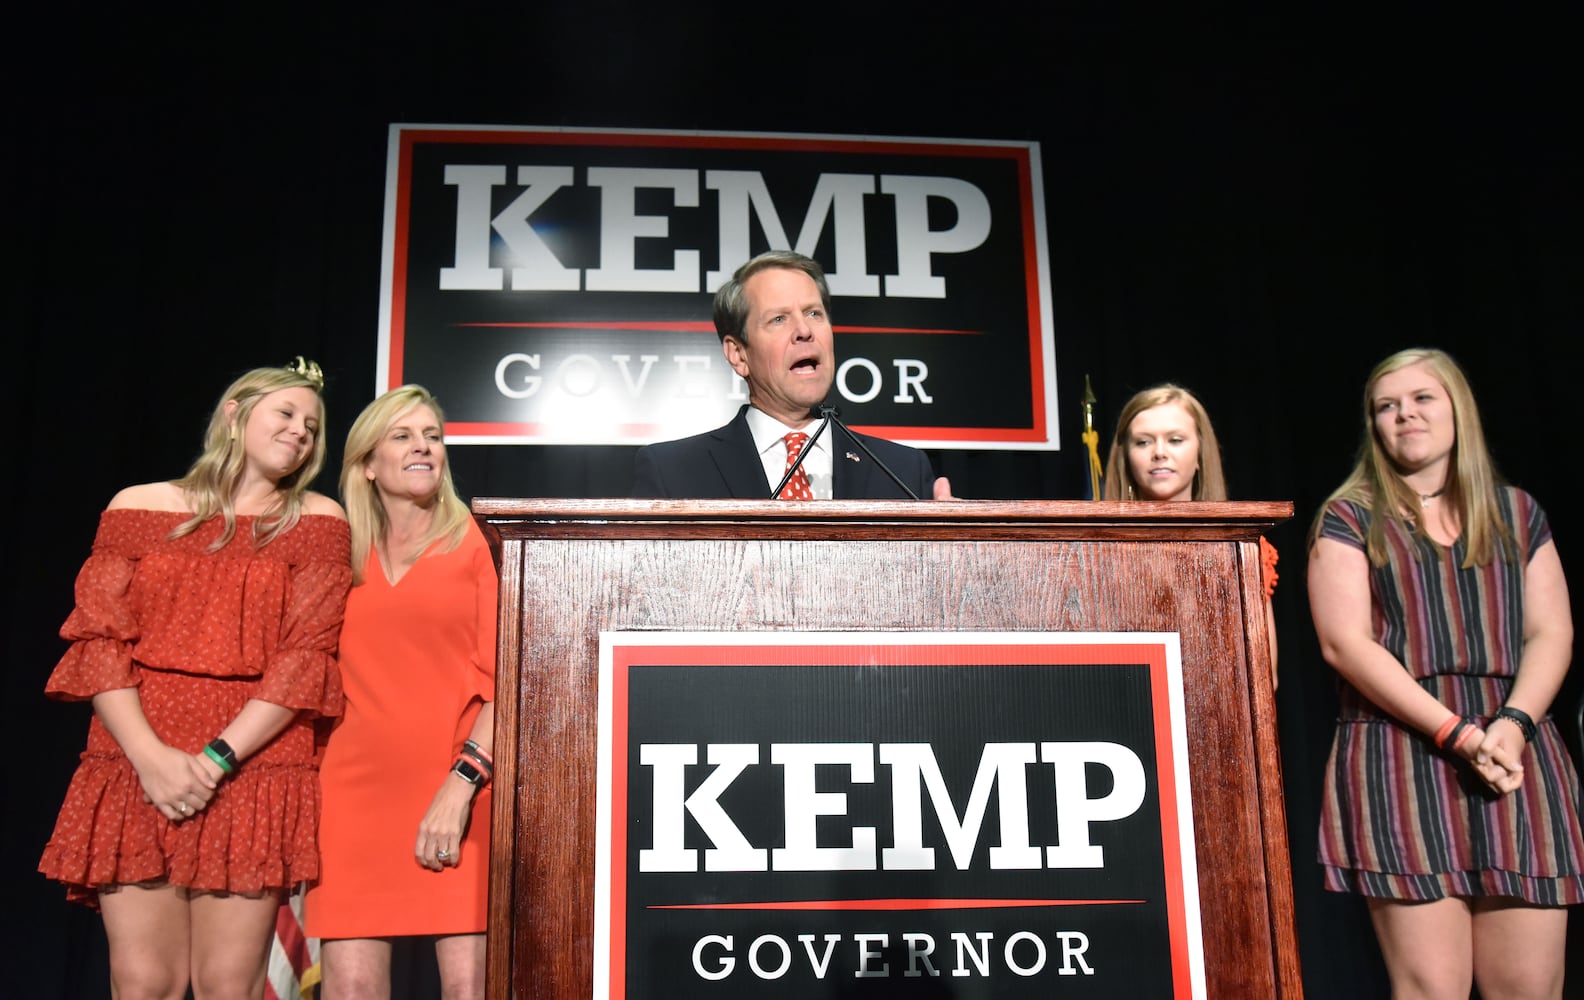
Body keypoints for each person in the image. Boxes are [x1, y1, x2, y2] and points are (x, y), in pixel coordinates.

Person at [38, 358, 351, 998]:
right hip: (137, 759)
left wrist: (214, 760)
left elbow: (304, 658)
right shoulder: (138, 505)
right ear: (234, 414)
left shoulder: (319, 521)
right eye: (286, 414)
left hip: (253, 766)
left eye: (313, 427)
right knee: (143, 980)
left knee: (224, 986)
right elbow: (99, 638)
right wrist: (150, 758)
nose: (301, 433)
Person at [1307, 347, 1581, 999]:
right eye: (1386, 406)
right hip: (1402, 752)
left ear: (1458, 407)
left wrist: (1512, 724)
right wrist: (1458, 734)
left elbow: (1552, 632)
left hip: (1516, 753)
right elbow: (1346, 645)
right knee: (1433, 989)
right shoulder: (1350, 517)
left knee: (1529, 989)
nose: (1405, 415)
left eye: (1422, 398)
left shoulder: (1517, 514)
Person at [305, 385, 498, 998]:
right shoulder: (341, 551)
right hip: (351, 799)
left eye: (433, 436)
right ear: (367, 462)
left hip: (460, 792)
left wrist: (461, 784)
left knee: (471, 988)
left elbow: (511, 686)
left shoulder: (476, 542)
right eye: (403, 436)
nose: (423, 447)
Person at [631, 249, 952, 500]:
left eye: (814, 313)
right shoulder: (672, 473)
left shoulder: (903, 471)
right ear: (738, 354)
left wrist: (956, 546)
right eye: (779, 319)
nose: (804, 331)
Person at [1104, 383, 1280, 683]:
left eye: (1175, 440)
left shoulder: (1243, 546)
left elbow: (1265, 676)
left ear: (1200, 452)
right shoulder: (1100, 549)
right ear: (1126, 458)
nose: (1159, 453)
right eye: (1143, 442)